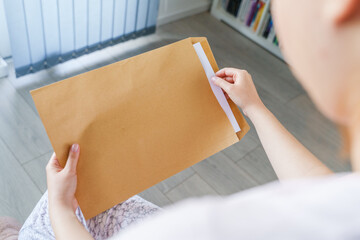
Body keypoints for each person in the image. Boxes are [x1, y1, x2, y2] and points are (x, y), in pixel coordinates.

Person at [19, 0, 360, 239]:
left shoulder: (204, 227)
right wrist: (255, 107)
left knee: (58, 206)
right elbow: (322, 191)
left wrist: (62, 211)